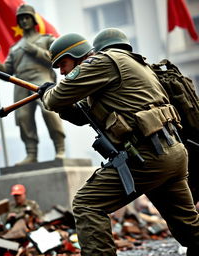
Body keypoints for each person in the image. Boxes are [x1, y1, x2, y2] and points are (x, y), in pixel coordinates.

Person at [39, 28, 199, 256]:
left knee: (87, 204)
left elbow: (55, 98)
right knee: (189, 228)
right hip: (172, 153)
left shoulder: (101, 62)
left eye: (62, 64)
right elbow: (82, 115)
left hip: (148, 156)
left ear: (76, 55)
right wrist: (56, 99)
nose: (63, 73)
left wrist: (48, 93)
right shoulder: (135, 65)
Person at [0, 4, 65, 165]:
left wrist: (35, 50)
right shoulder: (15, 48)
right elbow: (7, 71)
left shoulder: (46, 40)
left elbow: (56, 59)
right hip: (20, 83)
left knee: (49, 113)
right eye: (21, 18)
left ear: (33, 19)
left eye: (26, 17)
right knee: (23, 118)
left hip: (42, 80)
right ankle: (31, 154)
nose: (23, 21)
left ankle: (60, 148)